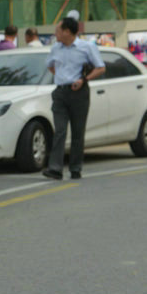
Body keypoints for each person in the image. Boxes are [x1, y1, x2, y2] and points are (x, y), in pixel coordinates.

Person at [42, 11, 105, 180]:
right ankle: (55, 168)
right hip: (61, 93)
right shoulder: (55, 48)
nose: (56, 34)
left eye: (58, 31)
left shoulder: (87, 47)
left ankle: (75, 168)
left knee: (78, 132)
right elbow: (50, 65)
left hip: (79, 92)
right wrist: (61, 77)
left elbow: (100, 67)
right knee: (60, 130)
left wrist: (83, 80)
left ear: (67, 32)